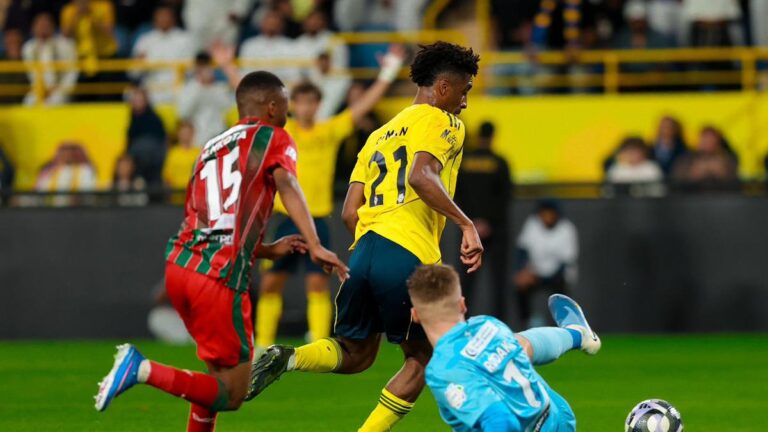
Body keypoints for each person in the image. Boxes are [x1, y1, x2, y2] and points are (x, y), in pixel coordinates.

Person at [247, 41, 483, 432]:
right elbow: (421, 175)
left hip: (364, 251)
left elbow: (349, 212)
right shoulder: (444, 122)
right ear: (443, 87)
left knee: (357, 353)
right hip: (407, 252)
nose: (465, 102)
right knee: (424, 357)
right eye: (464, 91)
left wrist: (375, 251)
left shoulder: (378, 135)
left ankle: (289, 357)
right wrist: (466, 224)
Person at [94, 70, 349, 432]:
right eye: (285, 107)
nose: (287, 114)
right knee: (232, 393)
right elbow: (288, 182)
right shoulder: (274, 136)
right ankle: (141, 369)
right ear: (272, 107)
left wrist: (265, 250)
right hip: (217, 278)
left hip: (181, 266)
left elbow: (212, 218)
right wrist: (316, 243)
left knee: (214, 379)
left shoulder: (210, 148)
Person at [254, 47, 403, 351]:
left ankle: (317, 344)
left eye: (311, 102)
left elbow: (362, 108)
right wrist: (228, 66)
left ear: (318, 105)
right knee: (271, 283)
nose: (306, 107)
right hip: (284, 217)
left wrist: (388, 72)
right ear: (293, 105)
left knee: (317, 284)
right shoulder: (284, 131)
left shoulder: (328, 131)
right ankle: (263, 345)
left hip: (318, 218)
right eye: (301, 102)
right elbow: (250, 102)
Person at [407, 264, 600, 432]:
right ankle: (577, 334)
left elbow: (501, 420)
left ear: (415, 315)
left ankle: (577, 334)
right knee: (516, 345)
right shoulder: (488, 325)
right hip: (557, 416)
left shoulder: (442, 369)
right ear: (462, 305)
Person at [454, 121, 512, 317]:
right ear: (493, 136)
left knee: (467, 280)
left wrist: (472, 222)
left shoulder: (465, 162)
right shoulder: (500, 162)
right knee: (499, 281)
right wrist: (488, 222)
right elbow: (505, 197)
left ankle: (462, 321)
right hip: (496, 229)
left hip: (468, 229)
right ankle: (500, 324)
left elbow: (457, 194)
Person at [514, 199, 578, 328]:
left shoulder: (567, 229)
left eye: (550, 213)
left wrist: (543, 278)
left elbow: (565, 263)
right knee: (521, 287)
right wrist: (522, 271)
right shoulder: (532, 224)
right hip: (535, 272)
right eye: (544, 213)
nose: (546, 216)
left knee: (561, 297)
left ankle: (562, 327)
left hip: (558, 276)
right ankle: (526, 324)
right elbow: (522, 250)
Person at [131, 5, 195, 104]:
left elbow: (191, 70)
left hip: (179, 90)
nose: (163, 19)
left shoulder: (185, 39)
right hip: (151, 92)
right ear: (154, 19)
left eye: (166, 16)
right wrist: (139, 63)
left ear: (173, 18)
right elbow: (133, 73)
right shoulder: (145, 40)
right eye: (160, 16)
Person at [177, 52, 233, 145]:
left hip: (219, 136)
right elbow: (183, 113)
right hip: (197, 139)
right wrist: (200, 87)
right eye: (200, 65)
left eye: (206, 65)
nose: (203, 69)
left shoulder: (219, 87)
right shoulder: (189, 88)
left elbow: (228, 108)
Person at [21, 13, 78, 105]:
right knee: (28, 102)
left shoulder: (66, 45)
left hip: (60, 89)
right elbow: (31, 73)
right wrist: (42, 89)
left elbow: (72, 71)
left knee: (55, 102)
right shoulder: (28, 48)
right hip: (39, 89)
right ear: (33, 28)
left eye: (46, 25)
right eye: (40, 25)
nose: (43, 28)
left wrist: (62, 89)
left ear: (52, 27)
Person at [126, 86, 166, 187]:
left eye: (140, 100)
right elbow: (129, 144)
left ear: (146, 101)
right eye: (135, 100)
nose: (137, 103)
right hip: (137, 165)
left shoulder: (155, 120)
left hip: (153, 164)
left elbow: (162, 143)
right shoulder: (132, 121)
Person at [162, 121, 200, 193]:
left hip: (193, 194)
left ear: (192, 133)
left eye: (188, 132)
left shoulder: (199, 153)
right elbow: (167, 177)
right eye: (183, 132)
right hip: (176, 194)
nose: (185, 135)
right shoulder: (172, 153)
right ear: (178, 134)